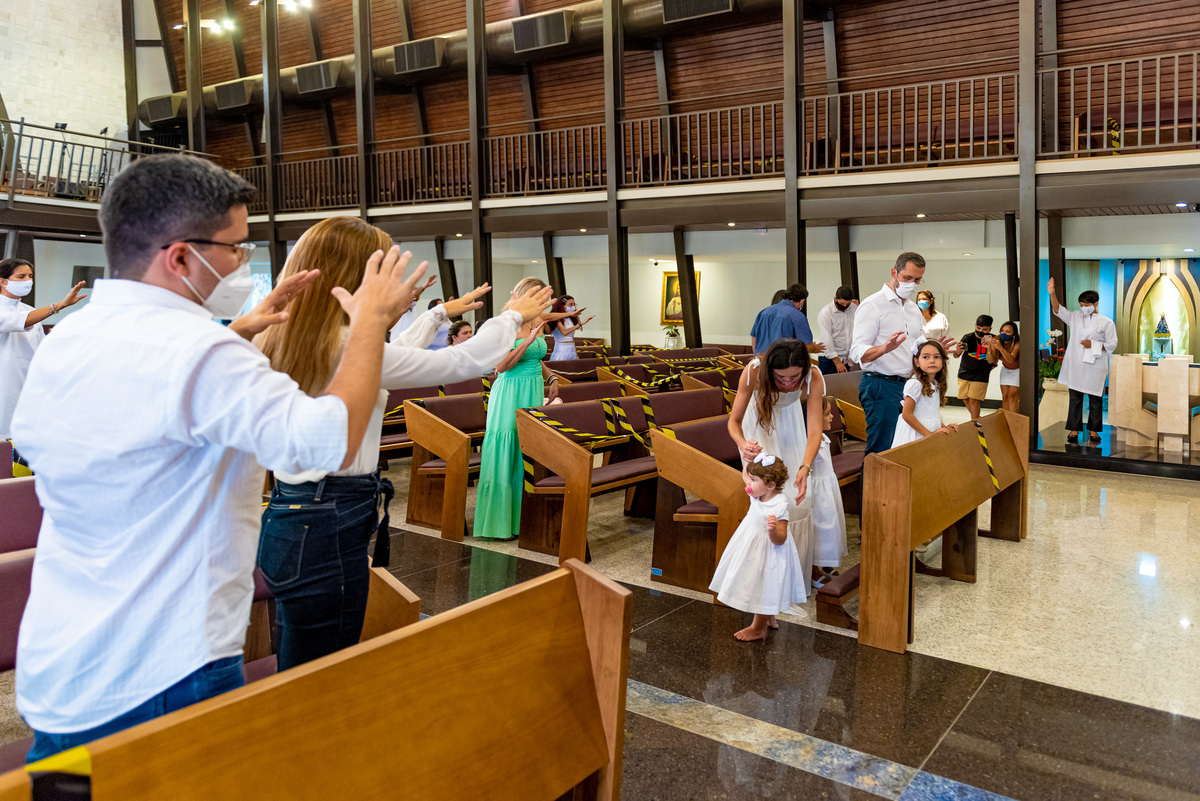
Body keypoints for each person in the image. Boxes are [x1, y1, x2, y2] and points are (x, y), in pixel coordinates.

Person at [11, 154, 418, 762]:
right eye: (235, 248)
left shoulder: (74, 335)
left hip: (69, 653)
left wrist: (244, 327)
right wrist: (368, 325)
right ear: (181, 256)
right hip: (170, 662)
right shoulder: (199, 350)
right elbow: (324, 439)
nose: (242, 263)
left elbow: (158, 402)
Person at [254, 217, 552, 669]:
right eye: (383, 270)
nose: (392, 282)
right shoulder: (341, 346)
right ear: (354, 278)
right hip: (330, 517)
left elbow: (391, 355)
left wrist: (436, 314)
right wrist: (511, 316)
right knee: (318, 669)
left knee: (304, 656)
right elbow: (460, 360)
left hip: (298, 511)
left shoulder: (295, 337)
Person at [727, 339, 825, 596]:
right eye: (781, 377)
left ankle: (794, 578)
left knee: (799, 501)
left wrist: (806, 466)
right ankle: (763, 585)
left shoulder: (813, 376)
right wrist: (742, 444)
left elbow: (815, 430)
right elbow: (734, 422)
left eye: (795, 376)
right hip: (757, 437)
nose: (790, 382)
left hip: (792, 434)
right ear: (770, 370)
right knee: (769, 504)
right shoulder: (753, 372)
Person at [473, 277, 564, 540]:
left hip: (532, 390)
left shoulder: (536, 321)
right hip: (510, 392)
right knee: (508, 448)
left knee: (526, 449)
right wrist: (526, 341)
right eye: (538, 296)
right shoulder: (507, 324)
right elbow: (500, 367)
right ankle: (499, 523)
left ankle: (522, 519)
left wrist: (552, 377)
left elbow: (535, 357)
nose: (542, 303)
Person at [849, 252, 956, 455]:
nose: (912, 284)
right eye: (907, 278)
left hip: (909, 385)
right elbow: (856, 352)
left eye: (917, 279)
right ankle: (872, 487)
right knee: (882, 450)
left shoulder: (913, 309)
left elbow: (916, 346)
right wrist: (883, 349)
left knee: (905, 448)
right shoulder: (872, 305)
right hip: (881, 385)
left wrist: (934, 347)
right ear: (894, 272)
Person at [709, 453, 805, 641]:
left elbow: (781, 538)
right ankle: (768, 616)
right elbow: (745, 474)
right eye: (751, 479)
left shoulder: (780, 505)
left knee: (763, 587)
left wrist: (772, 531)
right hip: (749, 546)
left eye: (754, 480)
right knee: (752, 582)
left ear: (770, 485)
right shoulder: (757, 493)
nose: (748, 483)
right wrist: (750, 460)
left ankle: (757, 629)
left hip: (768, 551)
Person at [0, 258, 86, 441]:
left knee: (22, 446)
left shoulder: (29, 310)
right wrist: (59, 306)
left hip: (29, 389)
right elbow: (15, 321)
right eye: (21, 276)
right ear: (2, 281)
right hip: (5, 387)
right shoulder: (25, 314)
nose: (27, 281)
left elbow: (42, 351)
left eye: (30, 276)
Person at [1048, 279, 1117, 445]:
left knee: (1095, 398)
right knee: (1075, 397)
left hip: (1095, 366)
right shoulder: (1075, 317)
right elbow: (1058, 310)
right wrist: (1052, 294)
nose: (1083, 308)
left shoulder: (1106, 322)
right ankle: (1074, 429)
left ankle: (1093, 430)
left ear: (1096, 304)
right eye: (1081, 304)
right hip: (1077, 365)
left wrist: (1094, 344)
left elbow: (1112, 344)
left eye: (1086, 305)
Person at [892, 340, 959, 446]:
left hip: (929, 431)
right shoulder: (915, 384)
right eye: (926, 357)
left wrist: (944, 427)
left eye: (936, 357)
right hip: (916, 433)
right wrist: (929, 435)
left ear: (943, 361)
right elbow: (907, 414)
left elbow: (931, 415)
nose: (932, 360)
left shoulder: (936, 384)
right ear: (917, 362)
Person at [809, 397, 848, 578]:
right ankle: (814, 569)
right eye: (827, 414)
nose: (832, 417)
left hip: (828, 488)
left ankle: (827, 562)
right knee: (819, 528)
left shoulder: (823, 437)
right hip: (817, 492)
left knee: (832, 526)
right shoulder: (810, 441)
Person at [749, 283, 825, 356]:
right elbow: (806, 347)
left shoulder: (763, 312)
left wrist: (757, 358)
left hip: (761, 363)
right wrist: (814, 348)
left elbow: (754, 337)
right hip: (783, 364)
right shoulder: (797, 316)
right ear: (802, 301)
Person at [953, 314, 997, 420]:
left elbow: (991, 361)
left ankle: (975, 421)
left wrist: (988, 348)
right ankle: (977, 418)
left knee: (973, 399)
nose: (981, 331)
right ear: (975, 326)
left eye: (985, 329)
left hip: (981, 374)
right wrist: (957, 351)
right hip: (964, 372)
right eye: (978, 328)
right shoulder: (968, 337)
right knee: (964, 398)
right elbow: (956, 355)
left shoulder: (993, 339)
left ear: (990, 329)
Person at [816, 286, 857, 374]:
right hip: (828, 358)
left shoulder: (853, 308)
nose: (845, 306)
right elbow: (827, 339)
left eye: (847, 304)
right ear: (835, 299)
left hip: (846, 358)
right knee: (829, 386)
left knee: (844, 387)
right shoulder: (826, 313)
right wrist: (837, 362)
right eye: (842, 303)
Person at [547, 295, 594, 362]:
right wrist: (581, 324)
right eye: (570, 305)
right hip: (561, 350)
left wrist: (576, 354)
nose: (573, 307)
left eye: (574, 305)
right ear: (562, 306)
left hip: (571, 350)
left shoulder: (570, 319)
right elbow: (564, 332)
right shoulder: (557, 319)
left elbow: (571, 338)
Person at [993, 321, 1021, 413]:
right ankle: (1005, 420)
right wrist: (990, 348)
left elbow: (1011, 359)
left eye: (1008, 331)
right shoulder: (998, 339)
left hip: (1017, 371)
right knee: (1005, 396)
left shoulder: (1017, 343)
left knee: (1012, 397)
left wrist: (1000, 347)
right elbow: (993, 360)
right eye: (1002, 330)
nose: (1004, 333)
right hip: (1005, 370)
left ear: (1014, 333)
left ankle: (1013, 421)